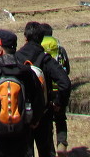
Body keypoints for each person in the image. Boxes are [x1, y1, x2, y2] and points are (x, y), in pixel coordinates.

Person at [0, 29, 46, 157]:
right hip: (21, 137)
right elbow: (39, 101)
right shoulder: (27, 73)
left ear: (0, 49)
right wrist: (33, 122)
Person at [14, 22, 71, 157]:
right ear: (41, 39)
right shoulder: (45, 59)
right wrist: (58, 102)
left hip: (21, 114)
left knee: (25, 151)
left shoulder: (16, 58)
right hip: (43, 113)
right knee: (46, 150)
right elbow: (65, 83)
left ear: (25, 37)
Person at [39, 24, 70, 151]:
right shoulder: (59, 49)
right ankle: (61, 143)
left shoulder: (39, 49)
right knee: (60, 119)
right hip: (59, 90)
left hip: (45, 91)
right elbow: (67, 69)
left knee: (46, 122)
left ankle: (50, 148)